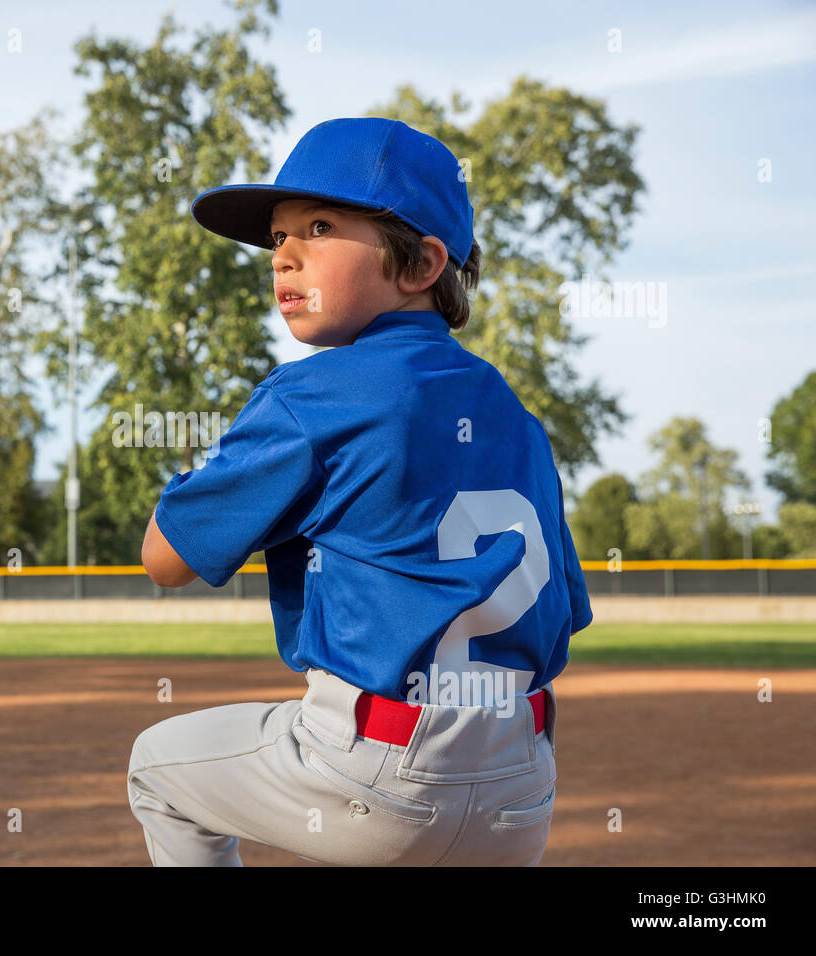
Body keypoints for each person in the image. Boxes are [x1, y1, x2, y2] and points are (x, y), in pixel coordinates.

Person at [132, 117, 593, 867]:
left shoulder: (313, 396)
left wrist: (219, 471)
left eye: (319, 226)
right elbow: (563, 612)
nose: (283, 254)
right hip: (522, 783)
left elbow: (164, 559)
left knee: (157, 769)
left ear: (421, 265)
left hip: (376, 769)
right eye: (278, 237)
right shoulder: (518, 417)